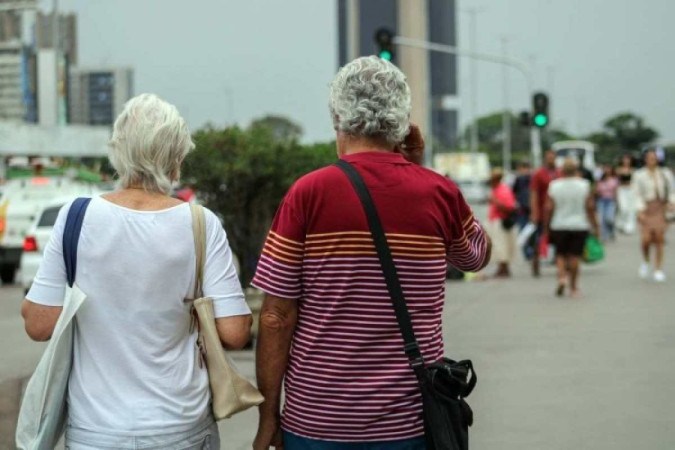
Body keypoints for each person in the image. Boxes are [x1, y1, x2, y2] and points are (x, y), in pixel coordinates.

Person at [251, 56, 491, 450]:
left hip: (316, 422)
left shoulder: (307, 194)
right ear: (403, 121)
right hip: (412, 423)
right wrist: (415, 165)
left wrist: (268, 418)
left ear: (336, 118)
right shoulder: (438, 193)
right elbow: (476, 257)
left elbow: (276, 316)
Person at [20, 94, 252, 449]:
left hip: (96, 431)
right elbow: (235, 332)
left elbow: (38, 324)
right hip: (180, 426)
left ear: (118, 151)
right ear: (177, 160)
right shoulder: (200, 223)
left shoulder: (76, 217)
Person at [545, 158, 599, 298]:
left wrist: (546, 225)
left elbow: (549, 207)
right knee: (575, 256)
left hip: (559, 224)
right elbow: (590, 207)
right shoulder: (584, 185)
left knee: (560, 254)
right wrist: (595, 225)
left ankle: (562, 277)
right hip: (579, 224)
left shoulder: (554, 185)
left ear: (562, 170)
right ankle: (573, 287)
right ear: (576, 170)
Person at [632, 149, 675, 282]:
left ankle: (658, 268)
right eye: (649, 157)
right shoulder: (639, 175)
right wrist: (640, 210)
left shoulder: (665, 173)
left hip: (661, 208)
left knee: (659, 238)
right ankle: (646, 260)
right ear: (645, 159)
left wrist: (672, 202)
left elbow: (672, 190)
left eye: (654, 157)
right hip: (646, 208)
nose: (652, 160)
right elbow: (636, 193)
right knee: (646, 239)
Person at [530, 150, 559, 276]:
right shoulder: (539, 174)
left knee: (558, 239)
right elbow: (534, 194)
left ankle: (560, 263)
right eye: (549, 158)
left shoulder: (559, 173)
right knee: (539, 238)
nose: (551, 160)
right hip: (542, 213)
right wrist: (534, 212)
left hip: (558, 213)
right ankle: (536, 261)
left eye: (553, 158)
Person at [488, 168, 517, 277]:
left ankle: (503, 267)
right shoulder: (497, 189)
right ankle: (503, 267)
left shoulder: (503, 190)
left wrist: (495, 202)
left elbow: (509, 207)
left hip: (501, 221)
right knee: (500, 245)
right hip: (497, 220)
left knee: (501, 245)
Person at [596, 165, 619, 241]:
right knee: (602, 219)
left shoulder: (614, 179)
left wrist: (616, 201)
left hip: (610, 200)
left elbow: (616, 191)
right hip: (602, 200)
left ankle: (611, 230)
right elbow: (597, 190)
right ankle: (604, 236)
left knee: (609, 218)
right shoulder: (600, 180)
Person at [615, 154, 637, 234]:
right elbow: (616, 182)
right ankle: (621, 223)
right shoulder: (618, 170)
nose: (626, 161)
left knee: (631, 209)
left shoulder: (633, 170)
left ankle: (629, 227)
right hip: (622, 190)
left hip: (631, 189)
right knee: (623, 207)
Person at [512, 160, 532, 230]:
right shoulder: (531, 178)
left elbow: (514, 192)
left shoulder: (520, 179)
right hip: (525, 209)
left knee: (524, 230)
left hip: (524, 209)